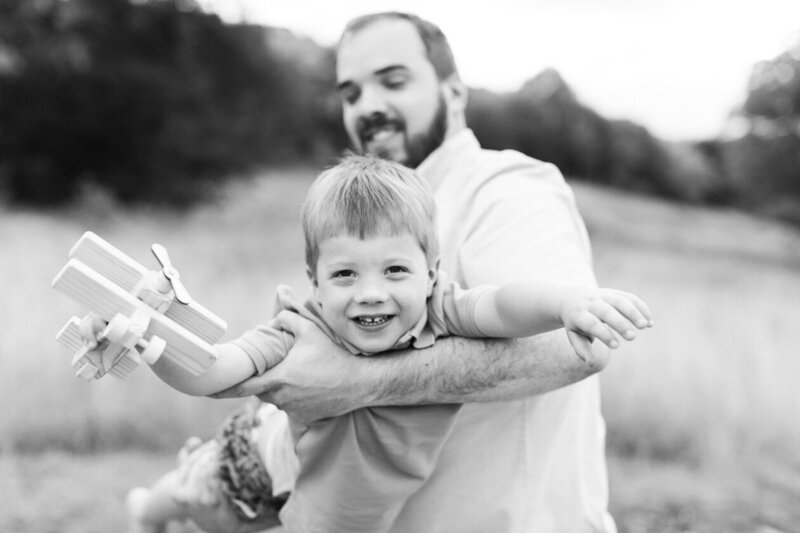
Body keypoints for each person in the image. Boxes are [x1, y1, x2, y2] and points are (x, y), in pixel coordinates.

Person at [180, 11, 640, 532]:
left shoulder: (506, 187)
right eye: (351, 93)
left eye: (393, 81)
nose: (369, 107)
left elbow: (575, 346)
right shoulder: (382, 218)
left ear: (454, 93)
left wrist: (358, 381)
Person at [122, 154, 652, 533]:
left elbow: (504, 305)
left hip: (334, 505)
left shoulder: (441, 311)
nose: (371, 295)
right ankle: (146, 509)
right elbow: (213, 371)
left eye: (395, 269)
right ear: (315, 281)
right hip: (261, 460)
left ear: (430, 273)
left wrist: (567, 303)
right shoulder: (302, 329)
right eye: (346, 274)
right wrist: (148, 343)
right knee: (196, 492)